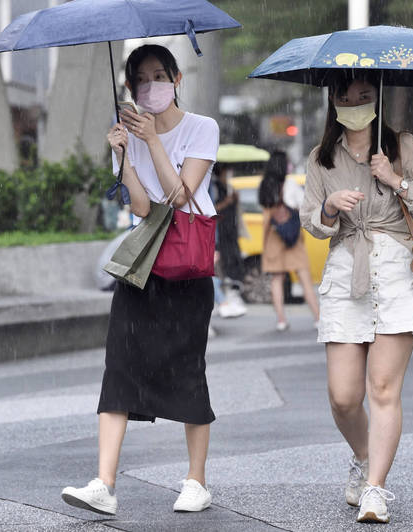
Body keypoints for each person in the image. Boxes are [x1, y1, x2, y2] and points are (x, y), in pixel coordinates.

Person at [61, 44, 218, 515]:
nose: (151, 87)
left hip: (187, 269)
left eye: (159, 76)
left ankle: (196, 481)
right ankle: (104, 484)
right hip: (141, 267)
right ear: (130, 88)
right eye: (141, 80)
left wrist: (152, 141)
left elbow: (181, 194)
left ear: (176, 80)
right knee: (119, 368)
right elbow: (142, 208)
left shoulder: (201, 128)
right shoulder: (125, 137)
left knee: (188, 370)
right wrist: (124, 154)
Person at [301, 72, 413, 524]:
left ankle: (376, 489)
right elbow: (311, 220)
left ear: (377, 98)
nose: (355, 103)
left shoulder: (401, 145)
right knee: (343, 397)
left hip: (398, 270)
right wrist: (329, 207)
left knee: (382, 388)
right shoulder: (320, 158)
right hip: (346, 270)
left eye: (365, 95)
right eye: (346, 96)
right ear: (334, 101)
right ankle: (364, 458)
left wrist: (395, 179)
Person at [259, 151, 319, 331]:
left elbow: (265, 212)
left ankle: (281, 320)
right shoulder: (291, 185)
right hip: (292, 237)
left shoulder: (265, 186)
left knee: (277, 279)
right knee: (304, 278)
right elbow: (303, 206)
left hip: (273, 237)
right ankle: (318, 317)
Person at [210, 162, 247, 319]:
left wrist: (234, 199)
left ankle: (226, 299)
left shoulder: (227, 187)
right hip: (220, 232)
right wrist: (227, 201)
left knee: (229, 264)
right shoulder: (214, 186)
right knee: (217, 267)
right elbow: (211, 208)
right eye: (226, 171)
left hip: (229, 231)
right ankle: (224, 301)